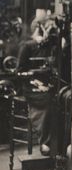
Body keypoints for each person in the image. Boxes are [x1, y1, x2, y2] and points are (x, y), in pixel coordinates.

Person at [17, 10, 57, 155]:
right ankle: (45, 141)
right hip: (31, 87)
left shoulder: (49, 46)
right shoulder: (27, 46)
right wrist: (36, 78)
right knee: (48, 103)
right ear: (38, 29)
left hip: (47, 85)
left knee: (58, 100)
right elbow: (19, 72)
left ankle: (54, 144)